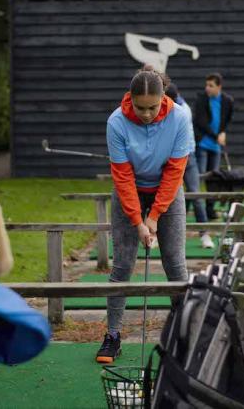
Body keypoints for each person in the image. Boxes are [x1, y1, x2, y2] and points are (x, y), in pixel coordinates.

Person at [96, 67, 191, 364]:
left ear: (163, 97)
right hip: (131, 190)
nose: (147, 114)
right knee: (122, 264)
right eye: (140, 108)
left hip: (167, 189)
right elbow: (122, 177)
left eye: (153, 107)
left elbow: (175, 171)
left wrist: (155, 215)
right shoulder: (116, 122)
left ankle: (184, 336)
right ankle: (112, 335)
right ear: (131, 99)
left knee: (175, 263)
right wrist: (138, 221)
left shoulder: (180, 118)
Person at [165, 82, 214, 249]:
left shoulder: (182, 111)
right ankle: (159, 235)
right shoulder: (169, 107)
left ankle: (205, 235)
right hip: (171, 158)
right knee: (165, 196)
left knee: (195, 195)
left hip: (187, 157)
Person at [193, 73, 234, 219]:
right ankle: (193, 208)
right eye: (207, 85)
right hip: (203, 144)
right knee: (198, 178)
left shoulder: (227, 101)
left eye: (211, 85)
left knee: (214, 179)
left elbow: (227, 119)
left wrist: (223, 132)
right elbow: (201, 122)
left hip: (216, 146)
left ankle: (210, 210)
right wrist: (216, 136)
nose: (207, 88)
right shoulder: (201, 99)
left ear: (219, 87)